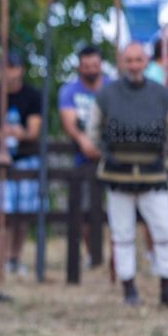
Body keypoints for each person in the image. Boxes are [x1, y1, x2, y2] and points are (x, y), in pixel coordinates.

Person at [88, 42, 168, 307]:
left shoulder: (161, 94)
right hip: (117, 174)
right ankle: (128, 288)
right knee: (122, 234)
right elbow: (94, 130)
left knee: (164, 231)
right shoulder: (107, 94)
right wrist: (110, 154)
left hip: (152, 174)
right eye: (129, 60)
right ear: (122, 63)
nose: (134, 65)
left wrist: (154, 156)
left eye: (138, 60)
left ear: (146, 62)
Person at [0, 52, 42, 276]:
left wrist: (20, 133)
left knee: (22, 214)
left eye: (14, 67)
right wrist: (2, 133)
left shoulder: (33, 96)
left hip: (25, 159)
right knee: (3, 212)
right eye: (7, 67)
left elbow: (34, 131)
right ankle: (3, 258)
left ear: (21, 70)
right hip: (2, 161)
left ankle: (16, 257)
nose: (11, 72)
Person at [58, 45, 108, 266]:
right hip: (82, 158)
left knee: (114, 210)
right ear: (80, 66)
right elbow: (69, 122)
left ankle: (114, 257)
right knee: (85, 210)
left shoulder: (112, 88)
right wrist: (83, 140)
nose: (91, 69)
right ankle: (93, 255)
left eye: (94, 65)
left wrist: (105, 146)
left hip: (111, 157)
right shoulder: (69, 91)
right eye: (86, 66)